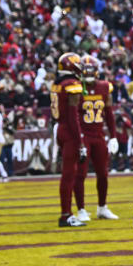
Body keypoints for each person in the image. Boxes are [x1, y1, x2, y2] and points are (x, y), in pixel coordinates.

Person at [73, 55, 119, 222]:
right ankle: (81, 209)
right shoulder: (76, 88)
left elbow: (109, 114)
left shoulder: (105, 87)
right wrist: (78, 139)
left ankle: (102, 207)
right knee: (81, 174)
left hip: (99, 135)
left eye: (90, 71)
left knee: (103, 173)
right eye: (84, 71)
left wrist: (113, 136)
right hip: (84, 135)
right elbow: (74, 116)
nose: (87, 74)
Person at [51, 52, 87, 227]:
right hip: (69, 131)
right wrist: (80, 142)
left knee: (67, 175)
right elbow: (73, 117)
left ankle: (67, 213)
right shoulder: (72, 84)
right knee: (69, 175)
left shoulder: (57, 84)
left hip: (60, 128)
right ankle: (66, 215)